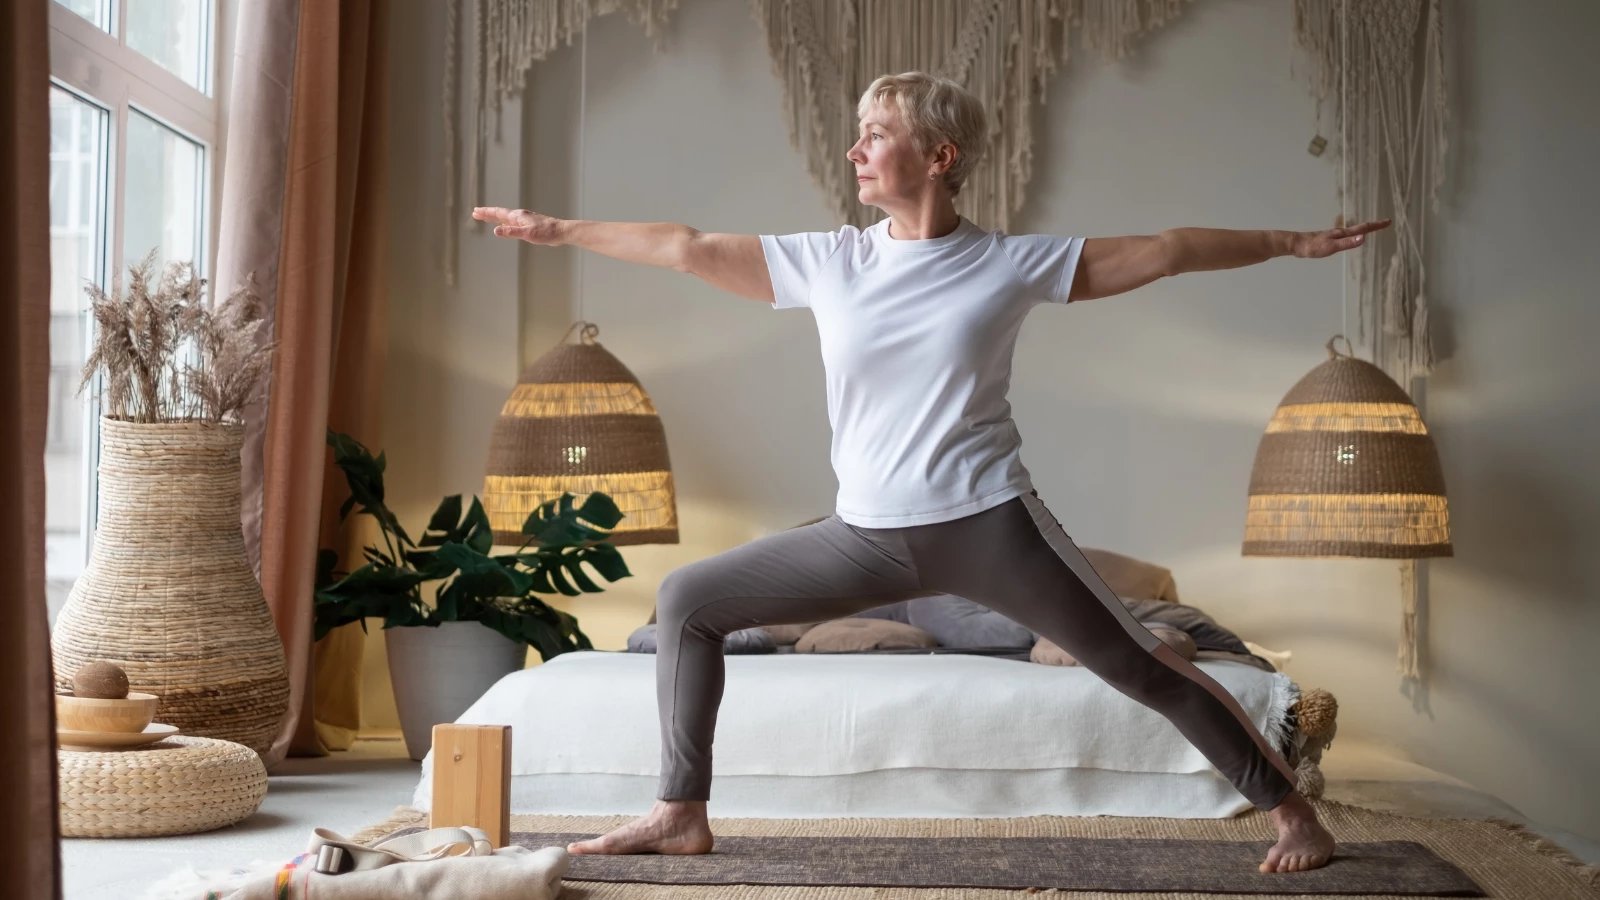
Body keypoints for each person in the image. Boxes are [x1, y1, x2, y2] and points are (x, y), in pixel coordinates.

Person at [475, 70, 1387, 874]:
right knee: (688, 601)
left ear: (941, 156)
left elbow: (1170, 249)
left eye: (877, 134)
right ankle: (680, 811)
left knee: (1143, 665)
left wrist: (1291, 243)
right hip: (862, 538)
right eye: (859, 133)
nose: (854, 150)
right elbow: (683, 243)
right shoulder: (830, 261)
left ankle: (1291, 808)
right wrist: (560, 231)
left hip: (993, 525)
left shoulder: (1005, 265)